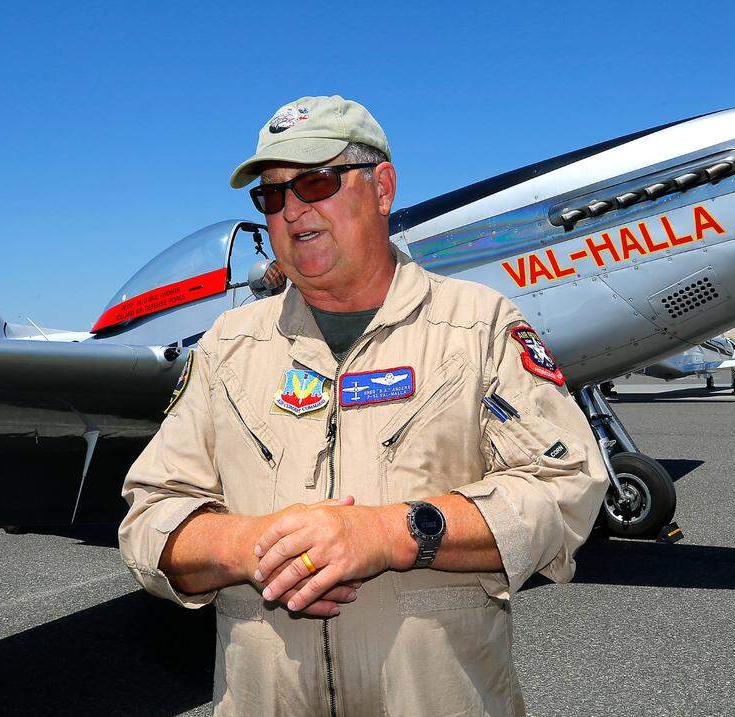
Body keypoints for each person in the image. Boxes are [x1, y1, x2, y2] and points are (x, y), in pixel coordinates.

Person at [118, 95, 607, 716]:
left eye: (315, 181)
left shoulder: (476, 326)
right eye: (272, 195)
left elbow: (565, 488)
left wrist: (392, 534)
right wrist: (246, 546)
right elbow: (149, 517)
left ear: (382, 187)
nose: (293, 210)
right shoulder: (228, 347)